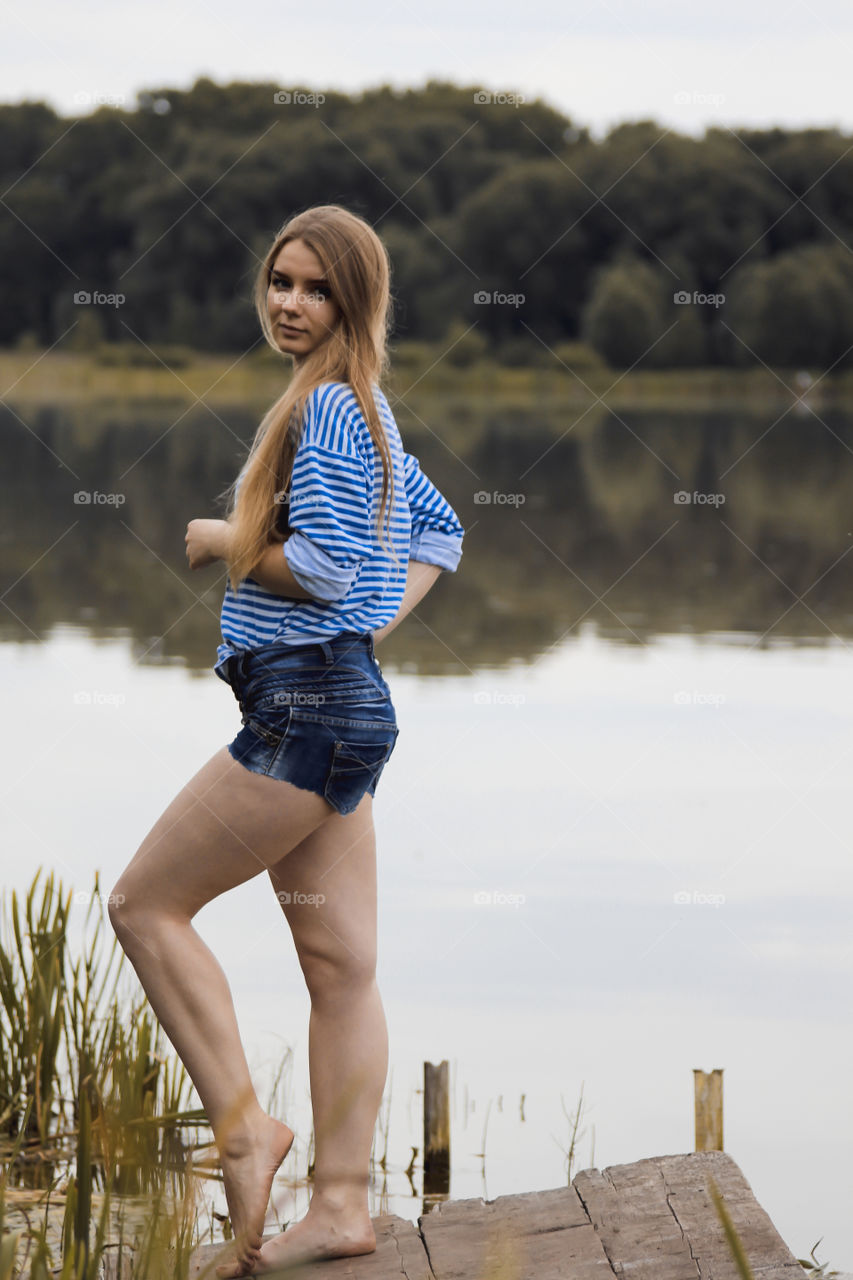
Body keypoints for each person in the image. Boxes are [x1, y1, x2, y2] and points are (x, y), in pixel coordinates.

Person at [108, 204, 464, 1278]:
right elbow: (440, 532)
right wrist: (361, 638)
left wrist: (227, 541)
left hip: (302, 714)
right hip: (344, 708)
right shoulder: (370, 413)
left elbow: (317, 567)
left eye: (313, 287)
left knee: (143, 903)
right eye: (278, 280)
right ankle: (343, 1208)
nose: (288, 302)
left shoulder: (330, 417)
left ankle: (246, 1131)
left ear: (353, 301)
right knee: (342, 965)